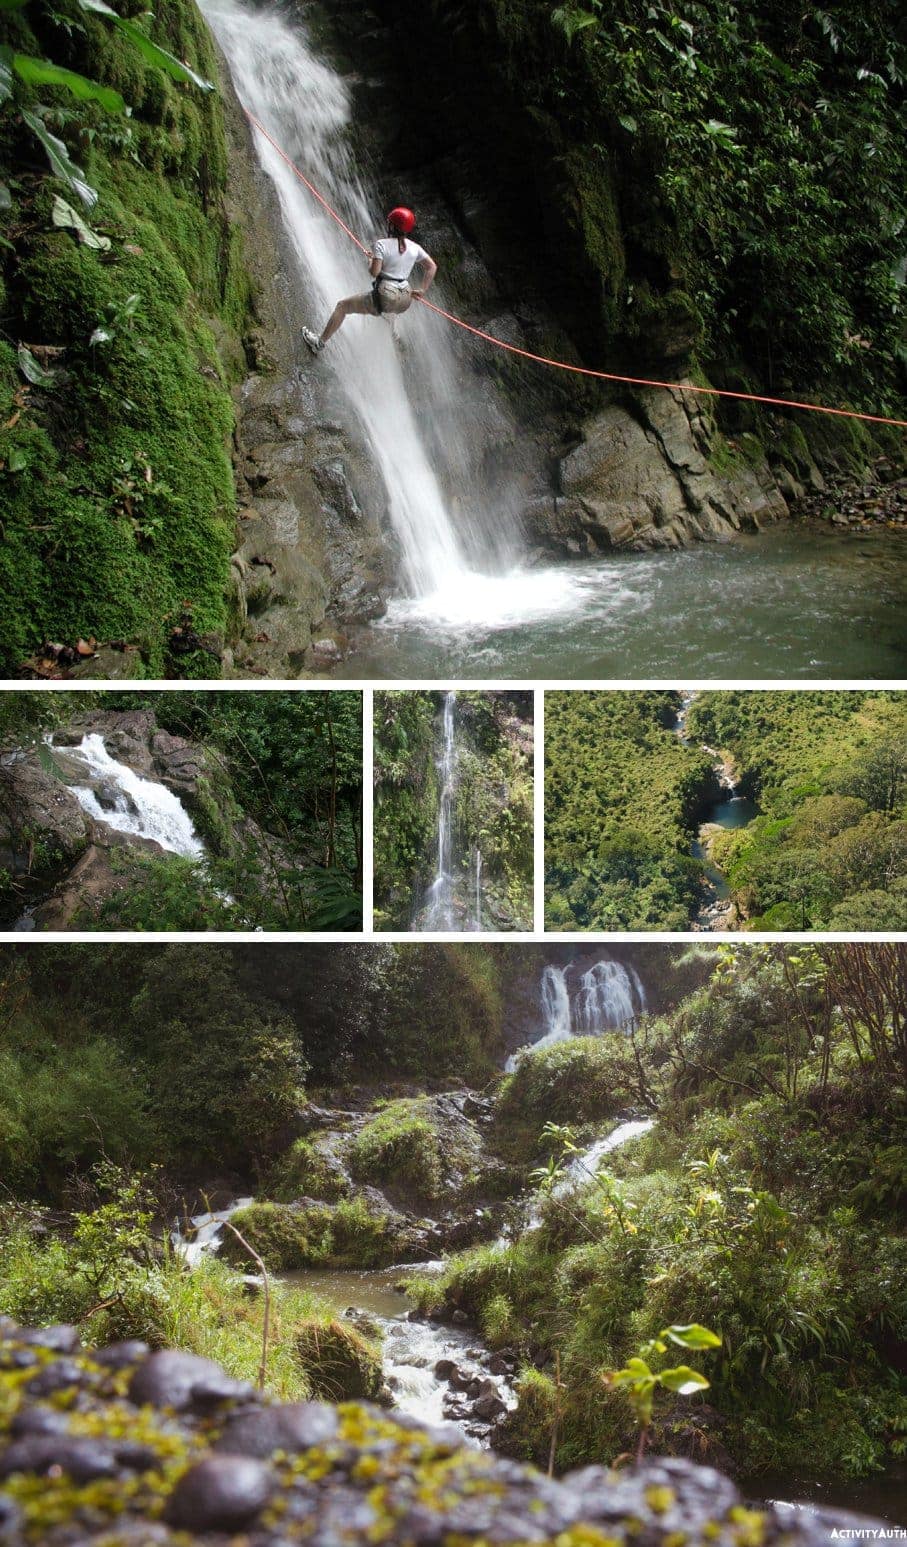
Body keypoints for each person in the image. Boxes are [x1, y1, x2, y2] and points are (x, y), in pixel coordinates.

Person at [301, 206, 437, 355]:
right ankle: (393, 334)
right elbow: (431, 267)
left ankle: (318, 343)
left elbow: (374, 272)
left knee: (342, 306)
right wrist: (423, 289)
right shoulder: (415, 248)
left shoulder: (381, 244)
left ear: (392, 226)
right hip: (405, 299)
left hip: (386, 296)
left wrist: (371, 259)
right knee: (390, 309)